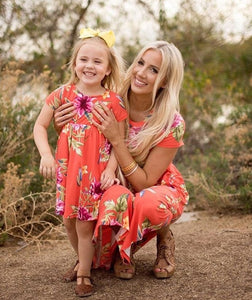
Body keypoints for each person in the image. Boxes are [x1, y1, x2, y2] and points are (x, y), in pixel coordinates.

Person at [54, 40, 189, 285]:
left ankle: (160, 238)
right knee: (98, 259)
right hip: (114, 182)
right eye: (140, 63)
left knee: (148, 203)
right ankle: (106, 252)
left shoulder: (172, 123)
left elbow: (146, 180)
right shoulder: (111, 98)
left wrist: (117, 140)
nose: (140, 73)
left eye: (154, 70)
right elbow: (80, 138)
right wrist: (59, 125)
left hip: (153, 185)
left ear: (166, 80)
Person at [33, 28, 127, 297]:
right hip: (67, 172)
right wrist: (46, 155)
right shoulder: (61, 94)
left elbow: (118, 141)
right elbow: (40, 126)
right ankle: (84, 259)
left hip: (94, 174)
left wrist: (111, 169)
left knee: (84, 226)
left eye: (98, 62)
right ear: (74, 63)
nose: (89, 66)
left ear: (108, 69)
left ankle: (85, 273)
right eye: (84, 59)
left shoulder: (112, 100)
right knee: (68, 222)